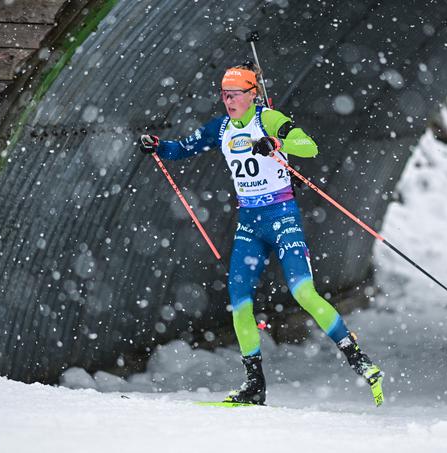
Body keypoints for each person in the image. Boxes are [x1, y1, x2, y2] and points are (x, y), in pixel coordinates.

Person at [138, 63, 383, 406]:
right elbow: (182, 148)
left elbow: (307, 145)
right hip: (250, 223)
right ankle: (254, 384)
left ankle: (358, 359)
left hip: (281, 216)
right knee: (239, 302)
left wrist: (277, 141)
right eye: (225, 95)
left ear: (252, 94)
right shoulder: (220, 127)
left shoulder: (266, 118)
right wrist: (158, 146)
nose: (229, 100)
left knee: (303, 292)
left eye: (236, 94)